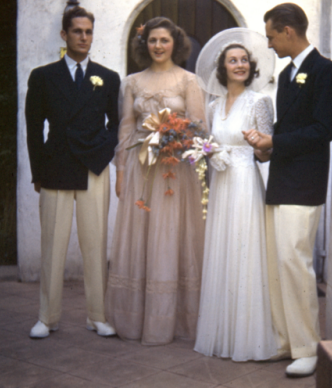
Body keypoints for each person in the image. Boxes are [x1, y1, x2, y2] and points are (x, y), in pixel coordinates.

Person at [243, 3, 332, 376]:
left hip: (305, 183)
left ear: (288, 30)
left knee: (296, 263)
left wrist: (276, 141)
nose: (269, 44)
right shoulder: (286, 77)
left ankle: (308, 347)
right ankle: (287, 342)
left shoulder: (325, 71)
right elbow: (286, 131)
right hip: (282, 179)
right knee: (279, 264)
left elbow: (324, 130)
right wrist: (266, 148)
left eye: (271, 36)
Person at [105, 17, 206, 345]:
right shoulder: (132, 82)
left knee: (171, 235)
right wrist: (120, 172)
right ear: (143, 44)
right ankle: (137, 318)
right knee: (143, 234)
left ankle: (173, 320)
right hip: (141, 168)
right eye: (152, 40)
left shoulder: (189, 80)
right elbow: (125, 127)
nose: (158, 46)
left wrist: (174, 136)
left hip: (175, 170)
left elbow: (199, 128)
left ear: (175, 43)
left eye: (164, 40)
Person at [25, 6, 120, 339]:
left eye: (89, 31)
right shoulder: (43, 75)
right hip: (56, 167)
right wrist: (38, 173)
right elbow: (33, 128)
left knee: (96, 245)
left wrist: (103, 155)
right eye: (77, 31)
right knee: (53, 245)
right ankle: (47, 317)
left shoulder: (108, 77)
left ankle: (97, 316)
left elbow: (118, 125)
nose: (84, 37)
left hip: (94, 168)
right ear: (64, 35)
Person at [193, 28, 278, 362]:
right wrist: (211, 153)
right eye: (233, 60)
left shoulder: (260, 102)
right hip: (221, 184)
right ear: (223, 67)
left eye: (244, 60)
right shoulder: (213, 106)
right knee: (223, 251)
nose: (240, 65)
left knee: (245, 252)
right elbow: (209, 144)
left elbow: (268, 151)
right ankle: (221, 331)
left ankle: (247, 337)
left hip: (244, 183)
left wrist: (257, 147)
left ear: (251, 66)